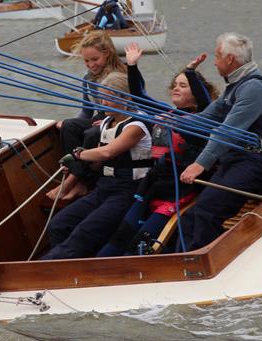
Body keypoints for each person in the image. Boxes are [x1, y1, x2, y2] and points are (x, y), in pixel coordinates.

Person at [97, 43, 217, 256]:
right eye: (175, 84)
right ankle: (97, 268)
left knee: (141, 242)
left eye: (184, 85)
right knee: (121, 235)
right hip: (152, 186)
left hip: (178, 192)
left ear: (197, 93)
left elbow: (206, 104)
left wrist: (190, 71)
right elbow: (139, 96)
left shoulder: (201, 121)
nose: (176, 88)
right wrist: (132, 66)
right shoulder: (166, 113)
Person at [178, 32, 262, 251]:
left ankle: (204, 266)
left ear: (230, 60)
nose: (214, 62)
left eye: (217, 56)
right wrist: (167, 120)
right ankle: (181, 260)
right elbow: (205, 119)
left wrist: (200, 164)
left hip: (255, 163)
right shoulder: (234, 86)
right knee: (191, 216)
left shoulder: (254, 88)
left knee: (208, 211)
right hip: (233, 160)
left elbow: (228, 131)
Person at [42, 72, 153, 259]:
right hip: (104, 187)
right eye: (101, 97)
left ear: (125, 98)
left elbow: (108, 152)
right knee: (58, 225)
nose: (102, 102)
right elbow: (99, 162)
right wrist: (74, 167)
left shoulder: (136, 125)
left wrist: (77, 155)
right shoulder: (106, 123)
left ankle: (48, 268)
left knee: (83, 233)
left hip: (128, 191)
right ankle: (64, 267)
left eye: (108, 98)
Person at [46, 31, 126, 201]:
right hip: (100, 117)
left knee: (92, 134)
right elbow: (86, 110)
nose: (90, 64)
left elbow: (132, 106)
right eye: (86, 61)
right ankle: (77, 180)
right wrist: (71, 121)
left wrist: (107, 121)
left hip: (120, 119)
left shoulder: (122, 75)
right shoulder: (88, 79)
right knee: (68, 125)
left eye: (95, 59)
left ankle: (74, 180)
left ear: (108, 53)